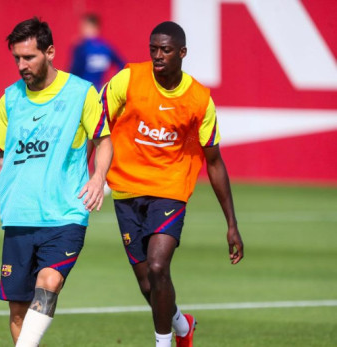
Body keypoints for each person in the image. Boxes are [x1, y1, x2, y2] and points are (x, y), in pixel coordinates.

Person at [100, 21, 244, 347]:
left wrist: (231, 224)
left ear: (182, 53)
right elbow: (96, 119)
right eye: (153, 49)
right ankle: (182, 325)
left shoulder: (198, 100)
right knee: (148, 283)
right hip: (126, 189)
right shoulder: (129, 78)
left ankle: (163, 344)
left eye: (165, 49)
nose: (158, 55)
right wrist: (91, 175)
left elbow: (214, 161)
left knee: (157, 265)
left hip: (170, 189)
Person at [0, 17, 113, 347]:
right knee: (18, 311)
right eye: (17, 58)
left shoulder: (82, 93)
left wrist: (98, 176)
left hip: (65, 213)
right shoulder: (9, 99)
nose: (22, 65)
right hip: (19, 215)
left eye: (29, 57)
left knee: (49, 281)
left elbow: (104, 139)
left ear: (49, 52)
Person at [70, 13, 125, 91]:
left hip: (83, 91)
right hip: (99, 91)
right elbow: (122, 65)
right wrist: (113, 84)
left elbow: (73, 71)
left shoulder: (81, 47)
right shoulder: (106, 47)